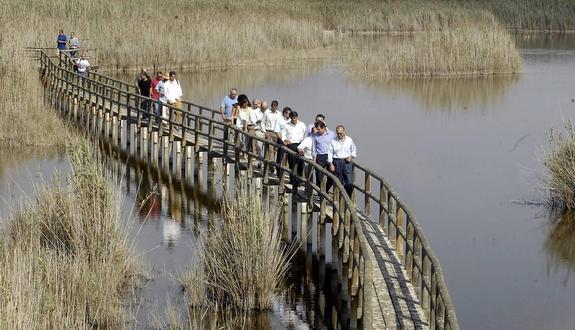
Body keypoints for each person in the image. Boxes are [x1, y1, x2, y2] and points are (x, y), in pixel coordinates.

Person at [328, 125, 358, 197]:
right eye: (338, 133)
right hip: (337, 161)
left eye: (341, 133)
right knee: (338, 182)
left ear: (344, 132)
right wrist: (331, 164)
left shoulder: (349, 140)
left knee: (349, 182)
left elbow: (354, 151)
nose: (339, 135)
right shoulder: (333, 141)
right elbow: (330, 153)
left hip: (346, 162)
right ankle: (339, 200)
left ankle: (348, 198)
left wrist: (351, 156)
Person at [282, 111, 306, 188]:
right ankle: (292, 179)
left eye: (295, 118)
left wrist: (304, 143)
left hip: (300, 145)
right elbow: (283, 135)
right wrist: (285, 140)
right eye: (292, 118)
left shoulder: (302, 125)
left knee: (300, 163)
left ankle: (299, 180)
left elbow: (306, 135)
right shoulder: (287, 125)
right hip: (291, 145)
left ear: (297, 117)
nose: (293, 120)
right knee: (291, 162)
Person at [312, 121, 336, 192]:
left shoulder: (331, 134)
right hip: (320, 156)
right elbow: (314, 147)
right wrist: (314, 157)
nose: (317, 131)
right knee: (319, 176)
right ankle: (320, 193)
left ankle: (325, 190)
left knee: (332, 176)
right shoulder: (315, 136)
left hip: (329, 156)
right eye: (317, 129)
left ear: (323, 128)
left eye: (319, 129)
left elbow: (335, 144)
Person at [261, 100, 282, 167]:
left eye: (275, 106)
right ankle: (272, 165)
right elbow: (262, 122)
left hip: (276, 133)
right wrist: (264, 131)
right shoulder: (267, 113)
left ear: (277, 107)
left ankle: (268, 163)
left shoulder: (279, 114)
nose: (274, 107)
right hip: (268, 132)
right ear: (271, 106)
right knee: (270, 148)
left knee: (274, 149)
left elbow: (281, 124)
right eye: (273, 106)